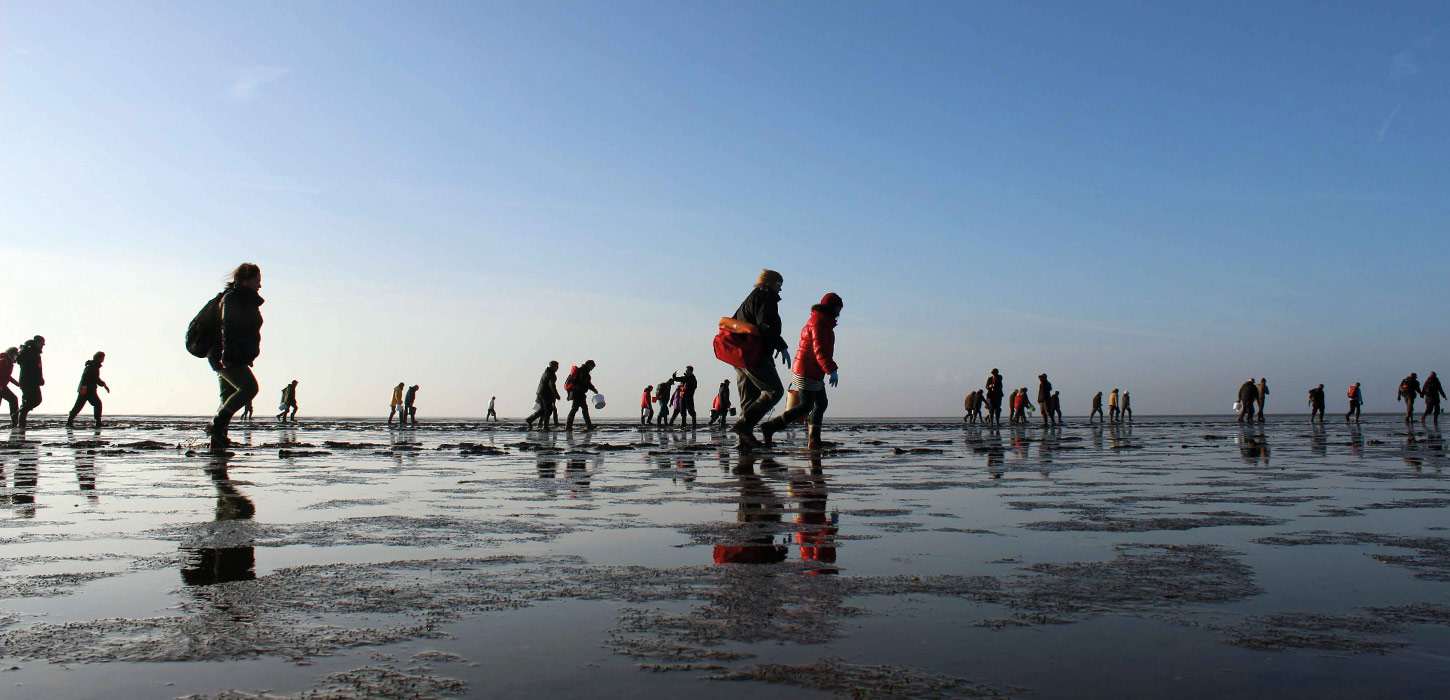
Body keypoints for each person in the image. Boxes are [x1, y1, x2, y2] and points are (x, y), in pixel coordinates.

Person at [760, 293, 842, 449]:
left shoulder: (822, 322)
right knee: (806, 406)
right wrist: (831, 369)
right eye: (838, 308)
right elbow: (820, 351)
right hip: (807, 370)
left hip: (813, 370)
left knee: (820, 403)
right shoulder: (819, 323)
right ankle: (770, 427)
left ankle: (813, 440)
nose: (839, 312)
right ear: (832, 308)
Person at [730, 270, 791, 449]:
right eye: (779, 285)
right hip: (755, 355)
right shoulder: (765, 298)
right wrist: (781, 345)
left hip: (740, 357)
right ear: (770, 283)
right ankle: (745, 425)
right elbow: (764, 326)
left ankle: (744, 443)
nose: (780, 289)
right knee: (774, 391)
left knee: (748, 399)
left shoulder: (749, 299)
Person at [205, 264, 263, 450]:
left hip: (233, 354)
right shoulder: (232, 299)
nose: (259, 285)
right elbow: (227, 328)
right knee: (249, 388)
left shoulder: (244, 300)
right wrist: (227, 355)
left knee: (228, 397)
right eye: (256, 281)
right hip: (227, 356)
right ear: (245, 281)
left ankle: (218, 440)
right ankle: (216, 424)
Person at [67, 352, 109, 427]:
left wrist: (102, 384)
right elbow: (91, 378)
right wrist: (103, 384)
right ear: (99, 358)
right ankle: (98, 422)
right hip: (87, 390)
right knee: (95, 404)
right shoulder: (93, 366)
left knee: (80, 406)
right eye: (102, 358)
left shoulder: (93, 366)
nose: (103, 360)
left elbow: (95, 378)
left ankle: (70, 421)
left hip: (87, 389)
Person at [15, 336, 45, 429]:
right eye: (42, 344)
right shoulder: (30, 352)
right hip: (28, 382)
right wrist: (38, 378)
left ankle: (20, 417)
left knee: (35, 400)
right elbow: (31, 368)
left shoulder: (34, 352)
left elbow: (37, 368)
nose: (43, 346)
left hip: (32, 382)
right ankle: (21, 420)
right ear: (37, 343)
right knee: (34, 400)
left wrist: (40, 379)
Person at [524, 361, 560, 431]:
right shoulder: (551, 374)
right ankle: (545, 426)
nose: (558, 368)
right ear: (554, 366)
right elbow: (552, 385)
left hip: (540, 393)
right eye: (557, 366)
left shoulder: (546, 373)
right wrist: (556, 394)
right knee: (548, 410)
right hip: (545, 394)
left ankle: (529, 419)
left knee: (543, 410)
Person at [564, 360, 599, 431]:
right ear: (589, 365)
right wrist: (594, 389)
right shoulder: (584, 372)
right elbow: (586, 382)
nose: (592, 369)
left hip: (575, 393)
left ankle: (588, 426)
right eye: (592, 367)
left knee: (581, 409)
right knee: (577, 409)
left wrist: (568, 394)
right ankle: (569, 427)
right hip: (578, 393)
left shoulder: (579, 371)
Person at [1, 347, 19, 426]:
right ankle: (15, 421)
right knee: (13, 399)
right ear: (12, 354)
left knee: (13, 400)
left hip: (2, 386)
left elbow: (7, 376)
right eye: (15, 355)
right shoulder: (4, 361)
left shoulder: (8, 362)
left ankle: (15, 420)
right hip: (1, 386)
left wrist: (18, 384)